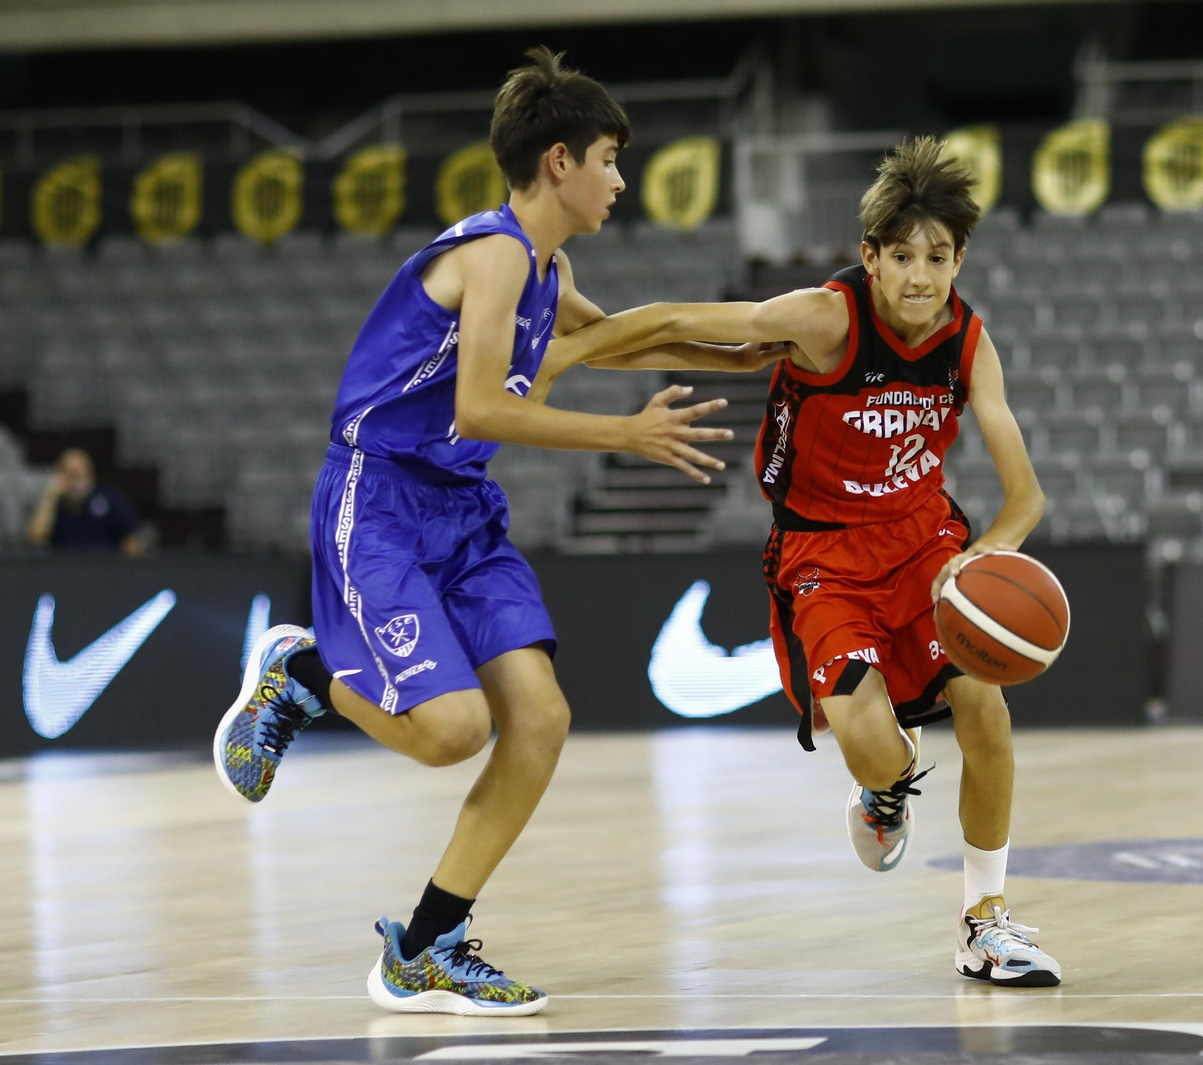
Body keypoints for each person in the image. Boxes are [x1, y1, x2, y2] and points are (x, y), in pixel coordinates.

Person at [212, 48, 764, 1017]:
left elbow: (615, 339)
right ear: (559, 162)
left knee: (540, 721)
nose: (620, 179)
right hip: (378, 501)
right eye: (609, 158)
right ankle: (301, 676)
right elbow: (477, 408)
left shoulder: (547, 265)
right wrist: (625, 435)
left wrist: (760, 355)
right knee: (453, 732)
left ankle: (426, 945)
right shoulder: (497, 253)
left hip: (461, 514)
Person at [537, 138, 1059, 986]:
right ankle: (886, 791)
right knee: (873, 744)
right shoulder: (827, 319)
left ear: (960, 259)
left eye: (937, 257)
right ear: (870, 258)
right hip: (821, 551)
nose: (920, 276)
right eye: (901, 257)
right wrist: (568, 348)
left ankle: (984, 919)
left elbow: (1025, 498)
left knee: (985, 709)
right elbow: (683, 324)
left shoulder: (968, 344)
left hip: (925, 541)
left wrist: (978, 565)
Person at [26, 447, 144, 554]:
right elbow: (36, 540)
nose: (74, 482)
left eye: (78, 474)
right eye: (68, 475)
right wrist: (50, 496)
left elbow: (132, 539)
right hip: (64, 570)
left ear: (90, 475)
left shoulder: (110, 500)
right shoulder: (52, 504)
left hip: (104, 569)